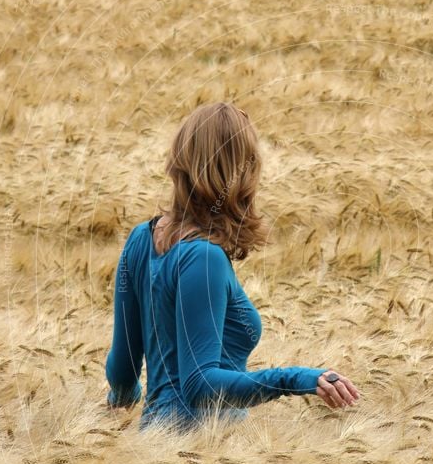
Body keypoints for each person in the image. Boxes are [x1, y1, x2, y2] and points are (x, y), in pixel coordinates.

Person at [104, 101, 360, 431]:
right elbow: (201, 385)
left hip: (157, 447)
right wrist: (298, 380)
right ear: (238, 173)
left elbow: (122, 371)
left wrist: (123, 405)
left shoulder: (140, 239)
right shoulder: (203, 258)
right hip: (202, 451)